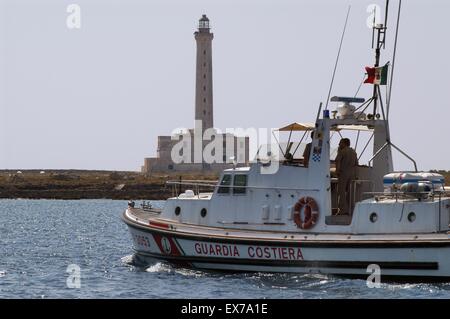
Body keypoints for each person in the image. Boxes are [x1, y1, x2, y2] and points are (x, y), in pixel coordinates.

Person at [335, 138, 358, 215]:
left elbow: (337, 160)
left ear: (344, 143)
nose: (339, 144)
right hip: (352, 174)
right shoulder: (354, 152)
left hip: (343, 173)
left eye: (340, 143)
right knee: (350, 193)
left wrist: (337, 171)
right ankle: (350, 209)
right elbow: (356, 164)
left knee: (341, 192)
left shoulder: (343, 151)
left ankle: (342, 210)